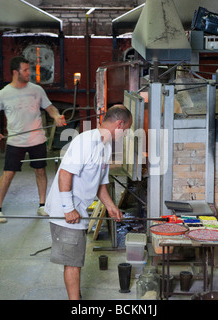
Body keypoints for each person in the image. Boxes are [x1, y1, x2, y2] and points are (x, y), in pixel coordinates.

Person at [45, 104, 132, 300]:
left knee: (75, 259)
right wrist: (68, 208)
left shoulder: (106, 146)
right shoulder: (85, 142)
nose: (125, 134)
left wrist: (111, 207)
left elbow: (100, 183)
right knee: (73, 263)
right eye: (126, 130)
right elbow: (65, 174)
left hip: (79, 210)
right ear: (119, 124)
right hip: (66, 211)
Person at [0, 56, 66, 223]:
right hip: (16, 142)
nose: (29, 73)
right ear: (15, 72)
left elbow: (50, 108)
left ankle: (43, 205)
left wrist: (57, 116)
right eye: (25, 70)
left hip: (37, 139)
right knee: (8, 174)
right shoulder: (4, 93)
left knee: (41, 171)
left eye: (29, 69)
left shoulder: (37, 90)